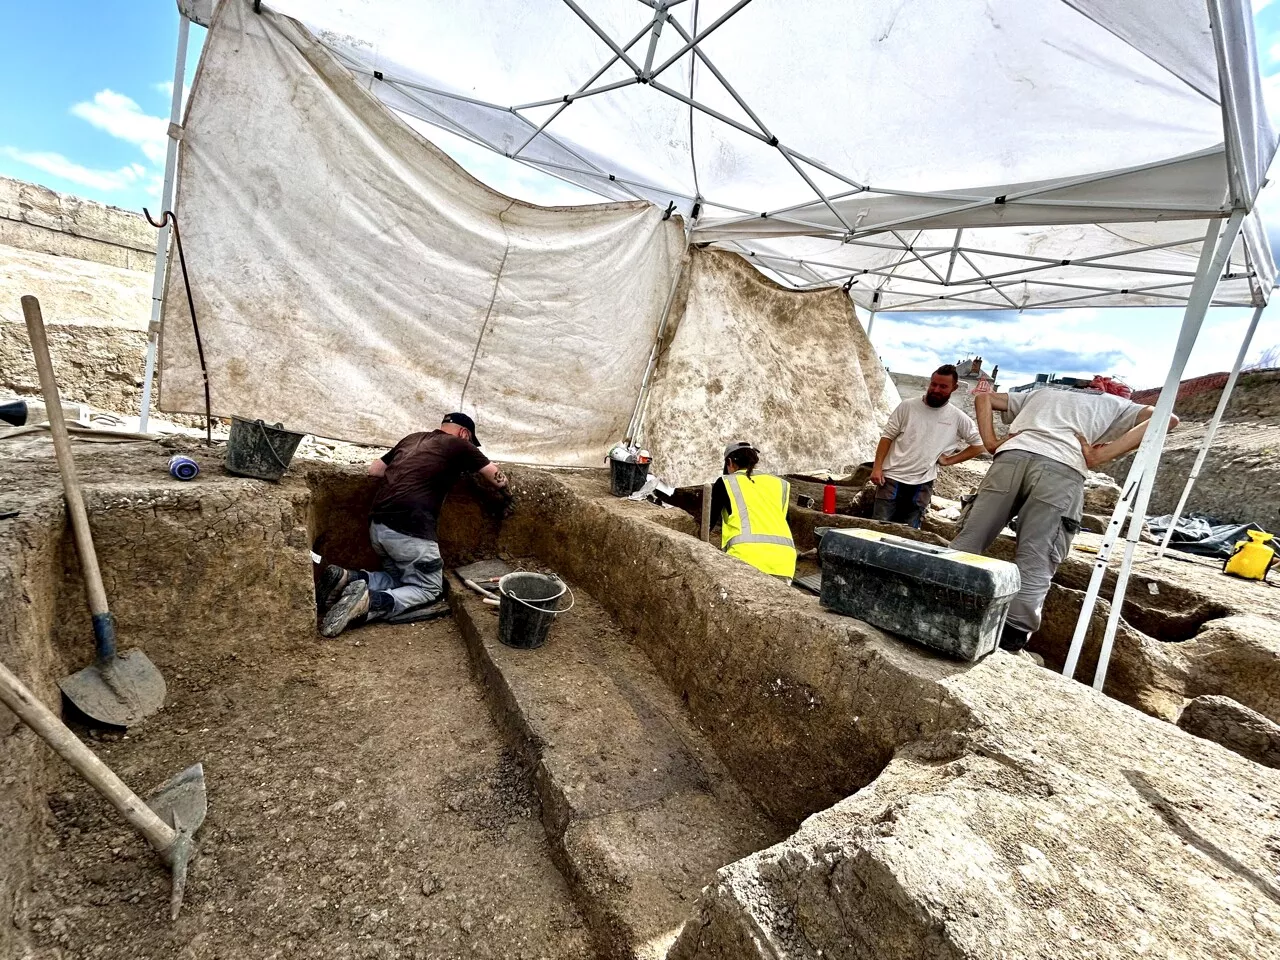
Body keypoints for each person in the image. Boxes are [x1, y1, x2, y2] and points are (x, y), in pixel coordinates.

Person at [950, 382, 1177, 652]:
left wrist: (990, 443)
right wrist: (1101, 454)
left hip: (1010, 458)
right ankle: (1011, 636)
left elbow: (984, 398)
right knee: (1037, 555)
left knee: (970, 538)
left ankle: (941, 599)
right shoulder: (1118, 404)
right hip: (1062, 467)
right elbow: (1167, 418)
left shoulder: (1043, 392)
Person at [318, 412, 510, 637]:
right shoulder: (460, 444)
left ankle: (348, 579)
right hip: (410, 530)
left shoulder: (412, 438)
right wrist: (506, 493)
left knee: (402, 580)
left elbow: (375, 470)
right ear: (464, 433)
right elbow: (497, 476)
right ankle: (371, 602)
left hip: (378, 527)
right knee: (429, 589)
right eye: (469, 439)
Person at [869, 365, 985, 528]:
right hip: (891, 478)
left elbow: (979, 445)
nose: (936, 389)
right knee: (877, 527)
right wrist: (877, 467)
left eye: (943, 386)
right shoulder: (907, 407)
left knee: (910, 532)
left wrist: (949, 460)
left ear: (954, 388)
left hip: (923, 482)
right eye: (934, 384)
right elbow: (887, 437)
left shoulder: (958, 418)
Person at [708, 441, 797, 581]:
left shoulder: (726, 482)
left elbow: (707, 522)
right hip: (784, 563)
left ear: (729, 462)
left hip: (744, 560)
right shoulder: (779, 483)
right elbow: (786, 524)